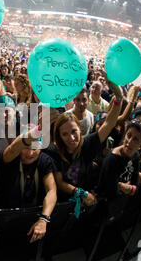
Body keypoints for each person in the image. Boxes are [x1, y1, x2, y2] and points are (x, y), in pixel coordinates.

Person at [47, 81, 123, 210]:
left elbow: (109, 123)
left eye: (74, 132)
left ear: (79, 129)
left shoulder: (88, 144)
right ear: (59, 136)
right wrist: (81, 193)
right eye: (65, 134)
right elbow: (60, 182)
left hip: (84, 205)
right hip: (61, 207)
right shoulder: (55, 151)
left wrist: (119, 99)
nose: (71, 138)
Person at [0, 124, 57, 243]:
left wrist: (44, 219)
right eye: (26, 147)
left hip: (34, 217)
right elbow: (10, 151)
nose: (30, 153)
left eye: (35, 148)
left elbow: (51, 190)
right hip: (9, 219)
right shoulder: (12, 158)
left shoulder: (44, 160)